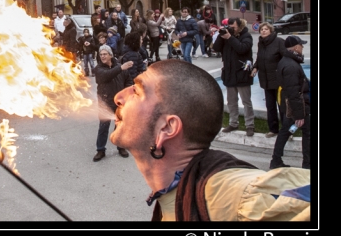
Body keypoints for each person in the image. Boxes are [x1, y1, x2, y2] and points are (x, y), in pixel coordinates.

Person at [110, 60, 310, 221]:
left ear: (167, 128)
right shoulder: (171, 196)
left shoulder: (237, 197)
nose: (118, 97)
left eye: (137, 91)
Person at [271, 36, 311, 170]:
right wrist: (299, 115)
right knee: (308, 133)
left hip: (291, 105)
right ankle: (307, 165)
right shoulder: (291, 66)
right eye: (301, 45)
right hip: (296, 107)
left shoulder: (288, 61)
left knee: (285, 132)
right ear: (295, 47)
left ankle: (276, 160)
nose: (302, 47)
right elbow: (294, 92)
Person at [214, 17, 255, 136]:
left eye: (233, 27)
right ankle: (233, 123)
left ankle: (250, 125)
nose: (231, 30)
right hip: (229, 73)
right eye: (229, 27)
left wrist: (230, 38)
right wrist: (221, 36)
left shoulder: (246, 36)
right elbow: (216, 48)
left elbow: (242, 49)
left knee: (246, 101)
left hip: (242, 74)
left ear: (240, 26)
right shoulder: (226, 36)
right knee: (231, 101)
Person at [93, 45, 133, 161]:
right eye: (101, 54)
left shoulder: (121, 68)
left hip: (120, 103)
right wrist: (121, 68)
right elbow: (107, 75)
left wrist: (126, 93)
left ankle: (121, 147)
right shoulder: (99, 69)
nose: (103, 56)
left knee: (120, 126)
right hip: (105, 102)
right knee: (103, 127)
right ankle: (100, 150)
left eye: (105, 54)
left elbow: (128, 81)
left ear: (110, 55)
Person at [252, 22, 287, 138]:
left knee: (282, 107)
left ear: (270, 31)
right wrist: (255, 67)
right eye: (262, 29)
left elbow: (285, 58)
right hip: (265, 81)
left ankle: (286, 130)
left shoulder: (279, 42)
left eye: (266, 29)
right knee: (270, 106)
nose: (263, 31)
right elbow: (259, 58)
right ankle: (273, 129)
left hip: (278, 81)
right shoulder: (261, 43)